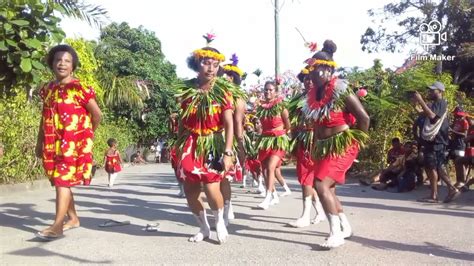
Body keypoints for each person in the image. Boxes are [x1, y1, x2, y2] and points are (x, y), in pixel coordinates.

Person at [303, 40, 370, 249]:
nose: (310, 75)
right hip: (323, 146)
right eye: (310, 71)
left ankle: (335, 233)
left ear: (326, 69)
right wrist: (314, 146)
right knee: (328, 188)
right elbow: (316, 124)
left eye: (314, 71)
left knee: (320, 185)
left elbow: (364, 118)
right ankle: (344, 226)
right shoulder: (314, 94)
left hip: (342, 144)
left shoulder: (340, 88)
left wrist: (356, 142)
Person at [174, 34, 238, 244]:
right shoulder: (188, 91)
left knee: (212, 188)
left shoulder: (223, 91)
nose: (210, 68)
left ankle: (219, 220)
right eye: (206, 63)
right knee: (190, 191)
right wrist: (178, 144)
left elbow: (228, 123)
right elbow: (183, 121)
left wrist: (228, 152)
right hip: (191, 144)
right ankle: (203, 228)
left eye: (215, 64)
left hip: (214, 143)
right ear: (197, 64)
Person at [35, 44, 102, 240]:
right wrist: (40, 142)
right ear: (52, 64)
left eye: (67, 61)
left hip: (72, 145)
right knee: (59, 181)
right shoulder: (47, 89)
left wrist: (84, 136)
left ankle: (57, 226)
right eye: (58, 60)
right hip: (51, 142)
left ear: (73, 66)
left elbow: (97, 114)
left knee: (62, 180)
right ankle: (73, 218)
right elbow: (44, 116)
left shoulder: (80, 88)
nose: (62, 64)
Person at [288, 67, 325, 228]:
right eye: (305, 79)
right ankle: (311, 213)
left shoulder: (323, 95)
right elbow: (294, 122)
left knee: (317, 179)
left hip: (319, 141)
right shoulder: (299, 99)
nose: (308, 81)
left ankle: (314, 213)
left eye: (310, 78)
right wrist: (293, 142)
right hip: (304, 140)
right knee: (305, 178)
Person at [411, 81, 460, 203]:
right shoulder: (434, 104)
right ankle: (441, 192)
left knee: (433, 166)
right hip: (432, 141)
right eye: (430, 90)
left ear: (440, 92)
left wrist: (421, 100)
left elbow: (433, 118)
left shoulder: (441, 103)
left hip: (436, 140)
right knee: (434, 166)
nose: (430, 92)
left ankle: (443, 192)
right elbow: (423, 113)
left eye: (433, 90)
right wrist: (415, 104)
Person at [255, 81, 291, 210]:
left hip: (278, 140)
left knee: (271, 167)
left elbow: (288, 125)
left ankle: (268, 197)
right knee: (264, 169)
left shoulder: (281, 106)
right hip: (264, 140)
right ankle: (274, 195)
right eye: (266, 90)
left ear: (275, 92)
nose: (268, 92)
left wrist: (285, 139)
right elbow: (260, 126)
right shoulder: (261, 108)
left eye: (270, 90)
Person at [221, 54, 247, 225]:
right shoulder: (215, 92)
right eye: (224, 74)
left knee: (224, 177)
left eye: (229, 75)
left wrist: (240, 147)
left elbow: (238, 124)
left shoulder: (238, 98)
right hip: (210, 136)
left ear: (233, 78)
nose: (225, 77)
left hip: (226, 139)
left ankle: (227, 206)